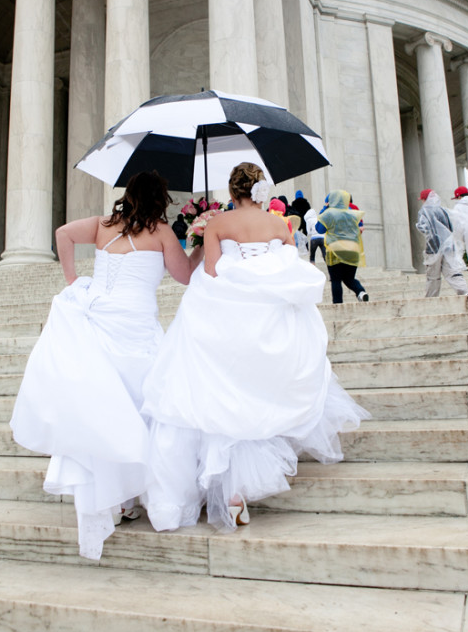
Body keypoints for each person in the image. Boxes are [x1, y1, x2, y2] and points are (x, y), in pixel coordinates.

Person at [141, 162, 370, 532]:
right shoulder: (280, 225)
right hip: (269, 320)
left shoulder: (218, 224)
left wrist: (202, 240)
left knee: (221, 397)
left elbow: (212, 273)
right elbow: (284, 270)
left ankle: (228, 492)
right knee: (253, 396)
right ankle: (238, 491)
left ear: (232, 193)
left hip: (226, 319)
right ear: (261, 190)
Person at [10, 171, 203, 561]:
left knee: (106, 412)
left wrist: (72, 280)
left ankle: (118, 499)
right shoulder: (163, 232)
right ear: (159, 198)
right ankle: (133, 494)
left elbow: (63, 233)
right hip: (137, 328)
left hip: (99, 320)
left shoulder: (103, 225)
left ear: (128, 195)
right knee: (143, 410)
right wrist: (196, 244)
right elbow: (184, 277)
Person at [315, 191, 369, 303]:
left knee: (336, 279)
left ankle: (337, 304)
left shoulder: (329, 213)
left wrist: (324, 209)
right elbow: (360, 227)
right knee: (349, 279)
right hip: (352, 250)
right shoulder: (352, 213)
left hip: (335, 250)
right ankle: (361, 292)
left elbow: (319, 229)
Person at [416, 189, 468, 297]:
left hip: (434, 247)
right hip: (449, 246)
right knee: (452, 272)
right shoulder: (443, 211)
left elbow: (423, 228)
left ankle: (431, 298)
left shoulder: (424, 211)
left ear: (424, 199)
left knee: (433, 276)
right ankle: (464, 292)